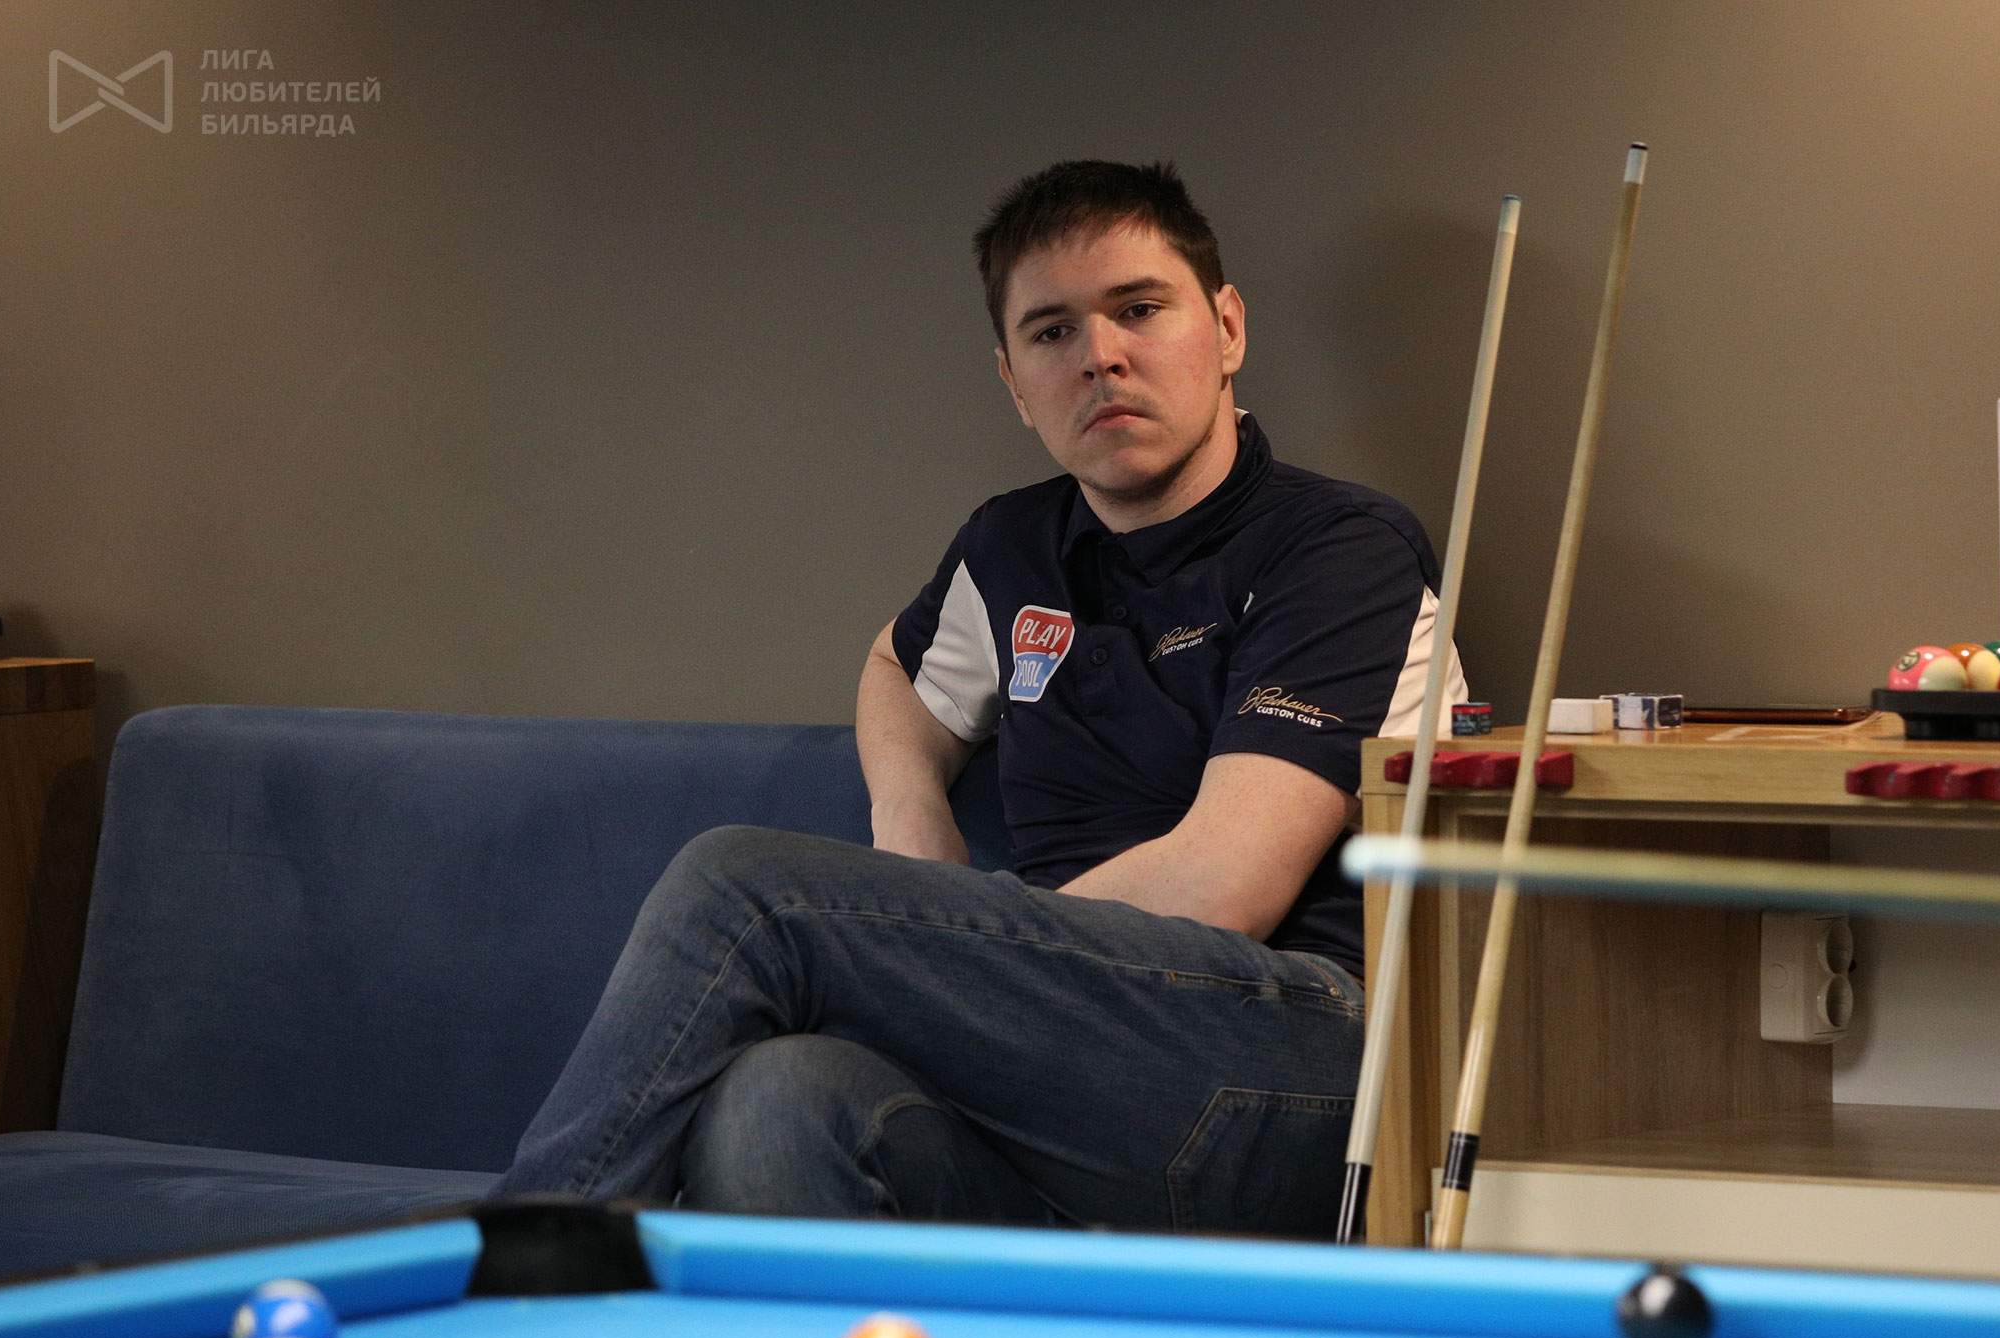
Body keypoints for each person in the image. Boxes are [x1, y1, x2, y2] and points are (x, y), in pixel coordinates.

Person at [494, 159, 1465, 1237]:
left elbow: (1221, 886)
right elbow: (896, 669)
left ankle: (522, 1264)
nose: (1101, 355)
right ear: (1014, 381)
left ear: (1227, 328)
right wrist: (914, 826)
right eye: (1052, 331)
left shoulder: (1341, 549)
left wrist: (951, 951)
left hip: (1298, 1066)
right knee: (777, 1102)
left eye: (1140, 309)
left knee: (743, 889)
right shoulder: (1012, 548)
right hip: (1063, 1084)